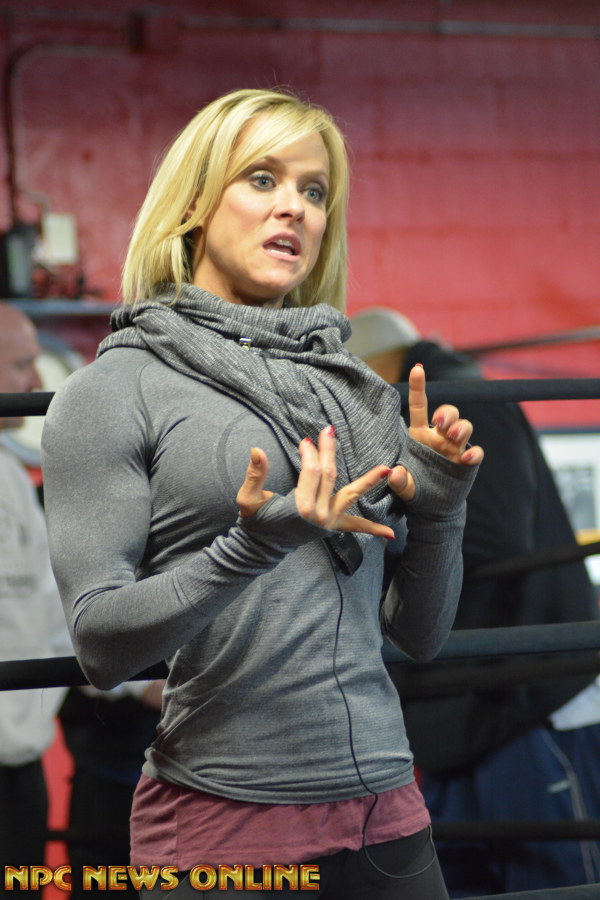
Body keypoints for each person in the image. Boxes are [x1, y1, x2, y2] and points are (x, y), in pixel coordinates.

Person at [40, 88, 483, 900]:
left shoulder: (350, 392)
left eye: (314, 191)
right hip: (225, 823)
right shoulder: (116, 388)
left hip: (387, 811)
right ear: (194, 205)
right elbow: (101, 646)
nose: (295, 208)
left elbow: (420, 636)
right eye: (262, 179)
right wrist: (254, 544)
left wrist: (442, 502)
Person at [347, 307, 600, 896]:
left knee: (549, 881)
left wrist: (368, 549)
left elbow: (493, 535)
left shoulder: (457, 402)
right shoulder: (446, 401)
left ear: (379, 367)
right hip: (470, 704)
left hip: (522, 704)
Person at [0, 302, 70, 887]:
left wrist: (136, 679)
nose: (33, 384)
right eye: (21, 365)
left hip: (20, 763)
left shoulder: (10, 476)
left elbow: (50, 607)